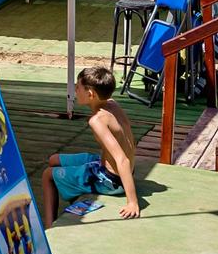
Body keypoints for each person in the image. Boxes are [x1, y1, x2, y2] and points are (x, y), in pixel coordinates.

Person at [37, 66, 140, 225]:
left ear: (90, 94)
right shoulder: (112, 104)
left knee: (48, 174)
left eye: (77, 87)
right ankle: (74, 191)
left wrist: (132, 202)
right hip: (108, 166)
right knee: (54, 159)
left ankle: (50, 226)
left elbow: (122, 160)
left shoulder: (97, 121)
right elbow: (129, 143)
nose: (75, 90)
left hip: (110, 180)